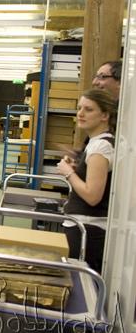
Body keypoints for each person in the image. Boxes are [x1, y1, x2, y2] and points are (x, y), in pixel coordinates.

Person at [57, 89, 117, 273]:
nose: (81, 114)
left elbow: (92, 196)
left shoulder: (101, 146)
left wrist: (68, 173)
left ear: (105, 115)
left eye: (89, 109)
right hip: (83, 227)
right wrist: (78, 169)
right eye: (79, 108)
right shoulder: (96, 142)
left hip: (88, 231)